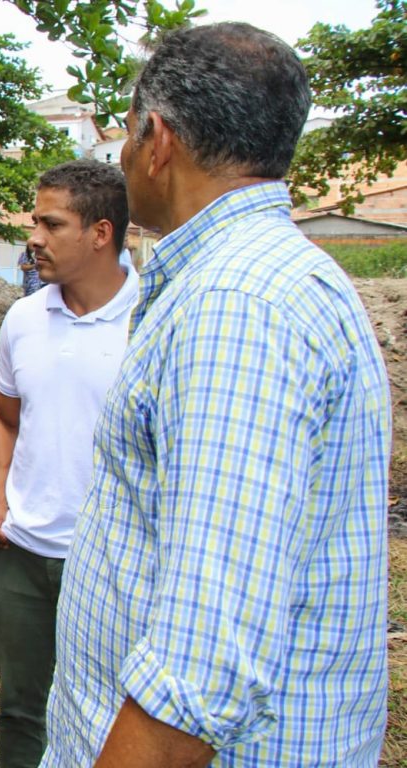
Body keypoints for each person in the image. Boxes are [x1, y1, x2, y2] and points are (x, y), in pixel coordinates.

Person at [45, 23, 391, 768]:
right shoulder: (258, 279)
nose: (125, 160)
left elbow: (200, 666)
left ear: (157, 139)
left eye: (127, 140)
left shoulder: (235, 306)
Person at [0, 159, 136, 768]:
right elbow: (4, 419)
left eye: (50, 223)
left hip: (115, 560)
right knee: (22, 707)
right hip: (23, 556)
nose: (33, 237)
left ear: (100, 233)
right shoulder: (24, 317)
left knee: (119, 708)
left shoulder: (153, 320)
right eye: (35, 221)